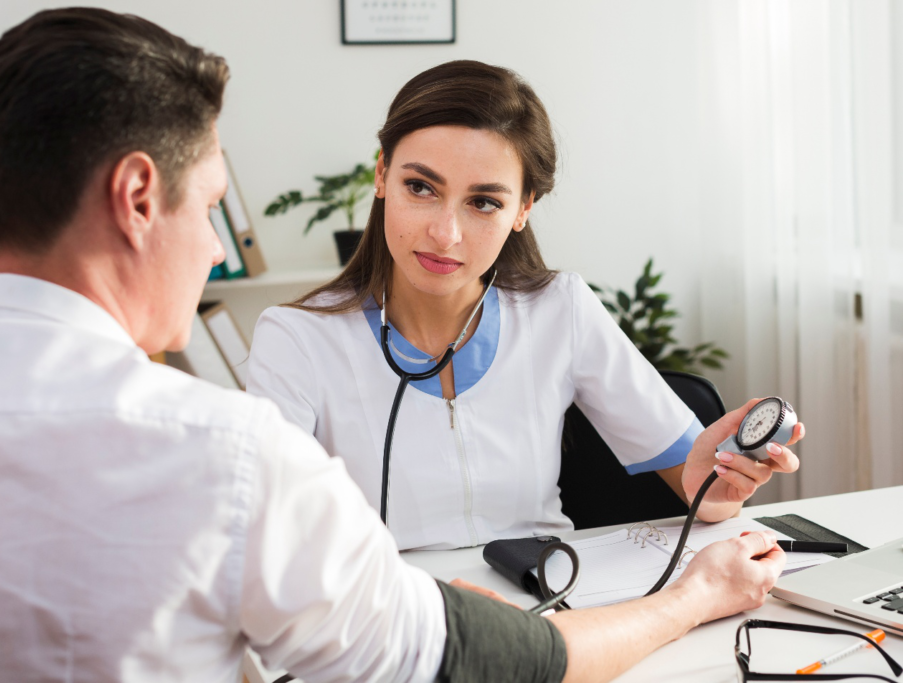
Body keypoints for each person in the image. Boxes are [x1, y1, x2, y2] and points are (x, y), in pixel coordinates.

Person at [0, 11, 786, 683]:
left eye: (483, 201)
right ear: (138, 198)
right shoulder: (232, 454)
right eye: (211, 207)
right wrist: (693, 598)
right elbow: (466, 657)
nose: (209, 248)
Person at [246, 60, 805, 551]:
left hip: (546, 604)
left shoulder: (559, 309)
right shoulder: (296, 339)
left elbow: (703, 494)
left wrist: (717, 486)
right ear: (381, 175)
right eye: (421, 188)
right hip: (390, 624)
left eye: (483, 202)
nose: (445, 233)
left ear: (522, 209)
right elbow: (266, 538)